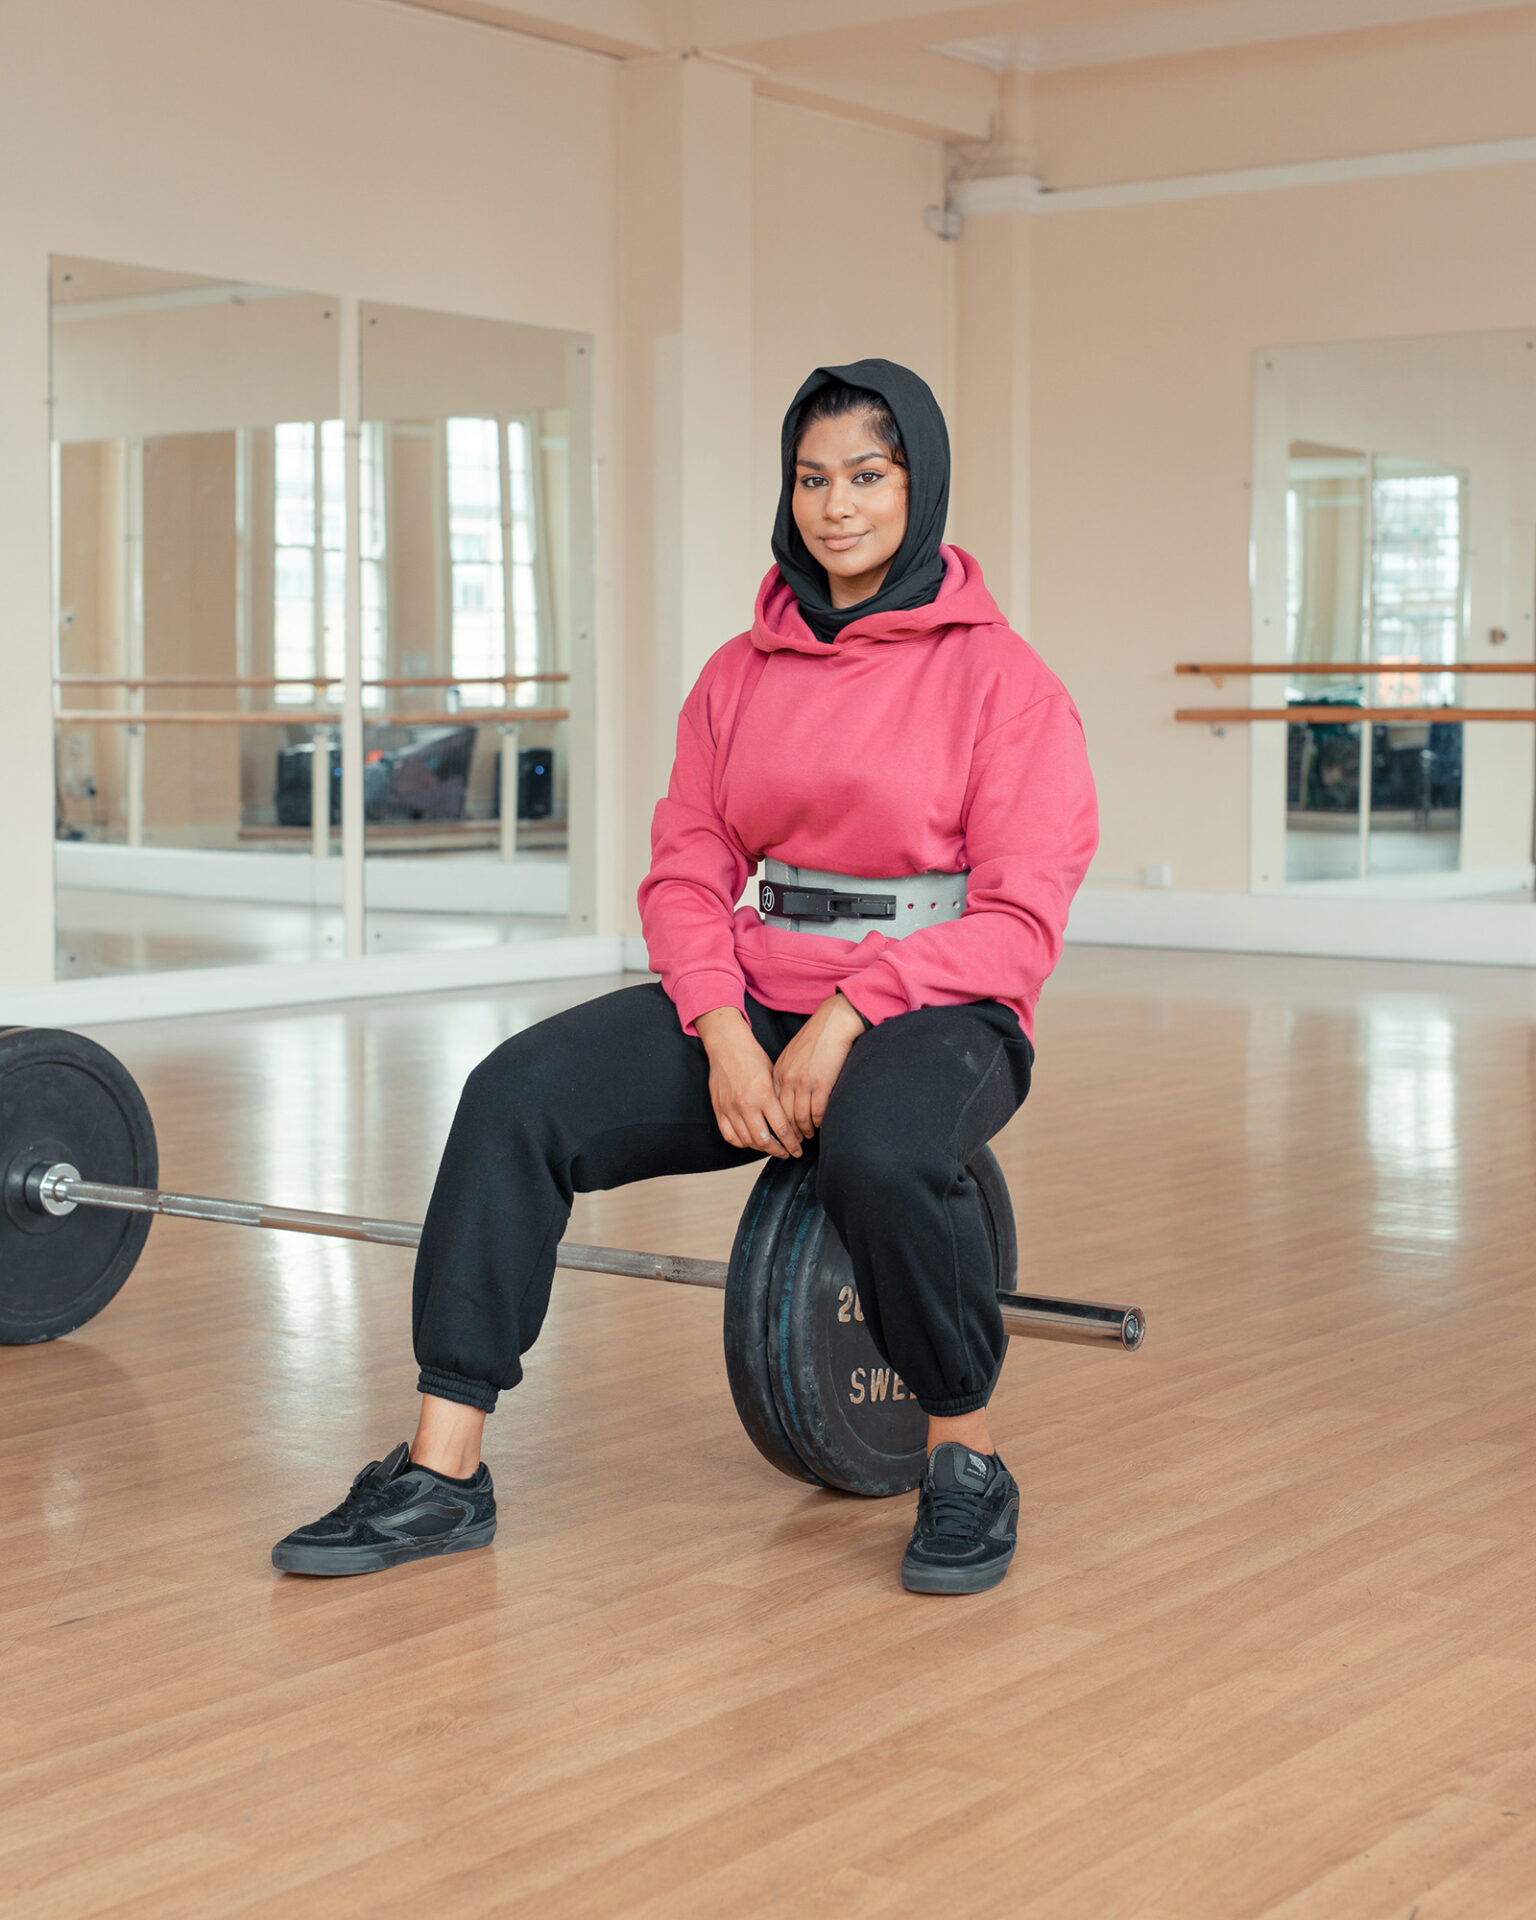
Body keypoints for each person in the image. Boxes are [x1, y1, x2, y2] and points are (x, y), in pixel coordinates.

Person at [272, 358, 1098, 1595]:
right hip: (757, 987)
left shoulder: (1003, 681)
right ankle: (445, 1472)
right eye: (813, 479)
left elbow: (1021, 919)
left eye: (868, 476)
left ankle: (966, 1460)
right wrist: (721, 1025)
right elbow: (688, 866)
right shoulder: (741, 672)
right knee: (515, 1095)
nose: (837, 506)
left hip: (941, 1001)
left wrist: (848, 1014)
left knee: (877, 1151)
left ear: (918, 487)